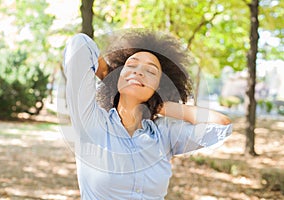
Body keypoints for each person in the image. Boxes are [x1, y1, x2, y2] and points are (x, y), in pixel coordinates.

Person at [63, 29, 232, 200]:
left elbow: (220, 124)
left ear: (160, 86)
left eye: (151, 71)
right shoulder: (91, 121)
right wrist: (109, 77)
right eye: (130, 66)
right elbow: (80, 44)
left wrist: (160, 105)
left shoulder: (164, 133)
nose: (138, 72)